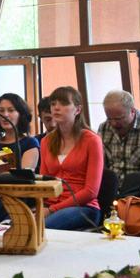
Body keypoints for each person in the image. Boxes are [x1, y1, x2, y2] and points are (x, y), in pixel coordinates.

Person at [40, 86, 104, 230]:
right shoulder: (46, 141)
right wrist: (40, 207)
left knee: (42, 227)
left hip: (83, 207)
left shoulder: (92, 140)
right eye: (53, 104)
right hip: (50, 205)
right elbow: (43, 184)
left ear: (78, 110)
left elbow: (91, 192)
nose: (56, 108)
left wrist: (52, 210)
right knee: (18, 223)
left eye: (63, 103)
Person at [0, 93, 39, 223]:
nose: (5, 115)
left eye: (11, 110)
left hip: (16, 198)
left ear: (21, 114)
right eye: (1, 111)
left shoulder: (30, 143)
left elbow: (23, 178)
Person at [98, 89, 140, 184]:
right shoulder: (104, 127)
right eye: (109, 118)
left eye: (118, 118)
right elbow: (99, 166)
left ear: (132, 111)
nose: (113, 123)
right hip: (112, 186)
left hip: (139, 188)